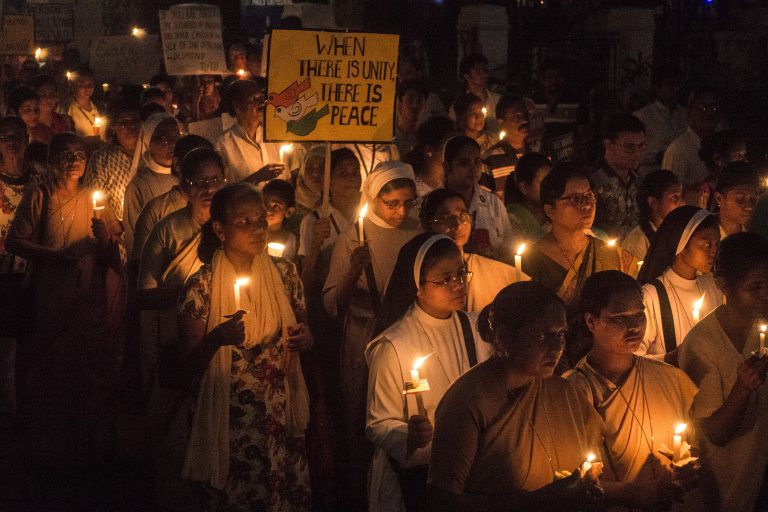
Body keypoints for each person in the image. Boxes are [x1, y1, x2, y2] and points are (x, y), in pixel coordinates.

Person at [174, 182, 312, 511]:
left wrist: (307, 339)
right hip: (229, 422)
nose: (258, 229)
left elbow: (305, 333)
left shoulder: (287, 274)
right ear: (220, 230)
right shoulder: (201, 287)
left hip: (279, 415)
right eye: (244, 221)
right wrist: (216, 339)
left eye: (261, 219)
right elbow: (186, 368)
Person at [427, 282, 604, 512]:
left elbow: (593, 465)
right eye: (543, 336)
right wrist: (541, 501)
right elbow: (443, 502)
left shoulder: (566, 393)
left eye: (561, 334)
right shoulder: (468, 400)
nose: (556, 346)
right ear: (503, 337)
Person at [5, 133, 124, 474]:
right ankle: (46, 452)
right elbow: (16, 241)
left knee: (83, 373)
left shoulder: (94, 199)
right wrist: (55, 257)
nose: (73, 162)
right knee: (48, 374)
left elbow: (110, 253)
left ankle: (82, 451)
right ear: (53, 160)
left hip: (87, 296)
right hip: (49, 296)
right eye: (66, 155)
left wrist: (106, 239)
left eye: (79, 155)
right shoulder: (38, 195)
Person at [366, 233, 491, 512]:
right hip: (416, 480)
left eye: (461, 274)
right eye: (444, 279)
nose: (458, 285)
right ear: (417, 286)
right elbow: (378, 423)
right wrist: (409, 436)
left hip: (469, 474)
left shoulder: (477, 329)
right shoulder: (394, 345)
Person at [322, 160, 421, 510]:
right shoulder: (353, 237)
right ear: (373, 199)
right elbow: (332, 304)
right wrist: (353, 271)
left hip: (409, 340)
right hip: (364, 339)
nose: (400, 211)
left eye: (407, 202)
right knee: (363, 421)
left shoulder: (418, 230)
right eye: (391, 203)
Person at [565, 271, 704, 510]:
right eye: (620, 318)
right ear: (591, 322)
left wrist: (684, 465)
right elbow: (571, 478)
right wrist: (629, 493)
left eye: (640, 315)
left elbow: (696, 443)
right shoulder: (572, 391)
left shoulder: (670, 378)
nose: (634, 327)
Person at [678, 232, 768, 512]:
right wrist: (742, 389)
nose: (765, 295)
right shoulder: (702, 344)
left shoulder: (761, 327)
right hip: (727, 486)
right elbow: (713, 432)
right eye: (754, 288)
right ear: (724, 286)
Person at [137, 148, 226, 390]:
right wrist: (193, 295)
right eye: (199, 182)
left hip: (225, 335)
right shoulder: (166, 230)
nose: (208, 189)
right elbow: (144, 295)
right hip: (175, 337)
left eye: (214, 180)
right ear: (184, 188)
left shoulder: (232, 226)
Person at [523, 162, 638, 308]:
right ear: (550, 211)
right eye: (575, 199)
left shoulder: (610, 255)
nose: (587, 206)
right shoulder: (531, 261)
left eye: (589, 196)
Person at [0, 117, 45, 426]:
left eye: (17, 136)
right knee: (6, 347)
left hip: (36, 269)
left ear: (28, 139)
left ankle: (32, 405)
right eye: (4, 137)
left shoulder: (41, 178)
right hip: (3, 273)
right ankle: (8, 409)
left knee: (33, 343)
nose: (11, 142)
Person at [636, 205, 722, 365]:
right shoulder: (651, 296)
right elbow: (633, 358)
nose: (713, 252)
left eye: (717, 244)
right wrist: (669, 358)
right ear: (681, 244)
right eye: (706, 244)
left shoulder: (714, 288)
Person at [420, 188, 526, 312]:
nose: (457, 225)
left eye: (463, 216)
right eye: (445, 217)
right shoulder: (422, 272)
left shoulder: (487, 269)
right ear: (428, 225)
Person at [130, 135, 214, 265]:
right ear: (177, 165)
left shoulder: (223, 206)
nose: (205, 171)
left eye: (210, 162)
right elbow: (139, 265)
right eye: (197, 162)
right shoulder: (157, 210)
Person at [298, 148, 361, 296]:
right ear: (328, 180)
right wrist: (315, 245)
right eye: (343, 174)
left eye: (355, 172)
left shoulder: (370, 213)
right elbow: (306, 280)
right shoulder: (313, 220)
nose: (352, 179)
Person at [443, 136, 513, 261]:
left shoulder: (494, 204)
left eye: (477, 161)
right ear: (447, 167)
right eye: (464, 163)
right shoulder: (435, 204)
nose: (473, 168)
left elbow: (509, 247)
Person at [122, 112, 182, 256]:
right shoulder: (139, 186)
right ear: (149, 142)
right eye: (163, 138)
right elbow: (135, 239)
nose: (171, 143)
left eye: (175, 136)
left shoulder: (187, 176)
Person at [215, 79, 289, 185]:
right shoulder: (224, 145)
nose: (261, 104)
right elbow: (225, 191)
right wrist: (258, 177)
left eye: (262, 99)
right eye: (254, 99)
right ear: (238, 107)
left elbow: (288, 178)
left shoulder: (274, 136)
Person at [83, 101, 142, 225]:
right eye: (124, 123)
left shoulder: (151, 155)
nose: (131, 127)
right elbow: (92, 194)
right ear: (113, 127)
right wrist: (115, 223)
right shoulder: (101, 158)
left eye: (135, 121)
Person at [592, 113, 645, 239]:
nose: (637, 153)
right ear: (608, 145)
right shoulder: (593, 183)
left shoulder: (639, 181)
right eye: (630, 147)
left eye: (641, 146)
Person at [662, 87, 721, 198]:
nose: (709, 113)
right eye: (702, 107)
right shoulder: (678, 150)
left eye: (714, 107)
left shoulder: (723, 145)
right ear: (689, 111)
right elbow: (669, 196)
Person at [633, 66, 688, 175]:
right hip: (651, 176)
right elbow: (632, 151)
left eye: (677, 85)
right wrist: (657, 156)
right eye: (670, 85)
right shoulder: (642, 116)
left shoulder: (687, 115)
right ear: (657, 88)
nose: (676, 89)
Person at [621, 170, 684, 261]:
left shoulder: (677, 234)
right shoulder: (637, 243)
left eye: (681, 196)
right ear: (653, 203)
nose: (682, 203)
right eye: (675, 197)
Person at [482, 95, 531, 192]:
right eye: (516, 116)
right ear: (501, 122)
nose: (524, 120)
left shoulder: (538, 152)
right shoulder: (490, 159)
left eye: (526, 115)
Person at [504, 152, 552, 243]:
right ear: (524, 188)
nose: (550, 187)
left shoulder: (553, 212)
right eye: (543, 183)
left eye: (551, 181)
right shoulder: (511, 220)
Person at [451, 53, 500, 134]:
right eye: (477, 70)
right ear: (467, 76)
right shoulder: (458, 106)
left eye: (484, 70)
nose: (484, 75)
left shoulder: (498, 100)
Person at [407, 116, 455, 197]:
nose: (454, 148)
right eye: (449, 143)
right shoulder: (411, 186)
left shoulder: (456, 182)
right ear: (429, 149)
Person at [713, 161, 758, 238]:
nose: (750, 206)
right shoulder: (704, 237)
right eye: (740, 199)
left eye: (753, 198)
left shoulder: (756, 237)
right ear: (719, 198)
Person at [65, 67, 106, 140]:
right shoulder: (68, 108)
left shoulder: (100, 106)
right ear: (73, 85)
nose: (87, 88)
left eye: (90, 84)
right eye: (82, 84)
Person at [263, 179, 298, 262]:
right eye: (264, 203)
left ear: (289, 212)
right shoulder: (250, 237)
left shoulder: (294, 243)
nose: (267, 210)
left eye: (276, 206)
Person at [394, 80, 428, 157]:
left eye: (419, 100)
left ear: (425, 106)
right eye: (410, 99)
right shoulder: (391, 138)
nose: (415, 105)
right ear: (400, 103)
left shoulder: (428, 139)